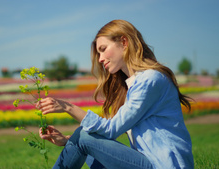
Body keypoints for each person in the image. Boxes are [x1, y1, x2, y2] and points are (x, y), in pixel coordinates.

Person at [36, 20, 194, 169]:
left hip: (164, 165)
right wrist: (68, 141)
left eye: (103, 50)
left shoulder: (150, 80)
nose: (100, 59)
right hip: (149, 162)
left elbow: (110, 130)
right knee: (82, 135)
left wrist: (68, 107)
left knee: (84, 135)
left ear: (124, 42)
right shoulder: (135, 84)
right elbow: (104, 137)